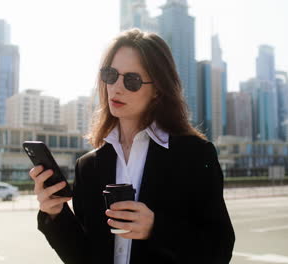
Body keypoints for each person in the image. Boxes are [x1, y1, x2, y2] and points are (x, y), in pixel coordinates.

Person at [29, 29, 235, 264]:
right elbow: (83, 257)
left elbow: (219, 250)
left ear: (158, 89)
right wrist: (55, 214)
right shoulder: (89, 165)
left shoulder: (195, 154)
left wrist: (156, 229)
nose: (116, 88)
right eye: (110, 75)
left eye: (131, 80)